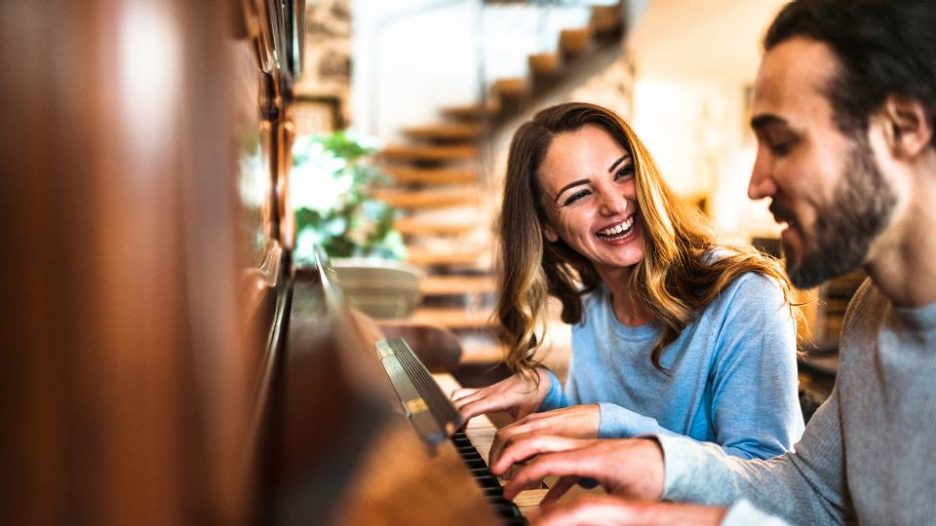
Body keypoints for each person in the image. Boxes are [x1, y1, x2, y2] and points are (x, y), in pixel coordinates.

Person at [491, 1, 936, 524]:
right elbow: (815, 495)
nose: (755, 184)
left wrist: (641, 468)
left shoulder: (751, 295)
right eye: (578, 194)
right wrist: (659, 466)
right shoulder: (872, 310)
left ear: (904, 126)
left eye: (783, 142)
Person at [452, 102, 804, 466]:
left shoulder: (746, 295)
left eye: (623, 173)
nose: (615, 203)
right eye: (579, 194)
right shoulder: (594, 303)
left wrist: (608, 423)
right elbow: (601, 465)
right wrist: (548, 397)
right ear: (547, 227)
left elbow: (765, 478)